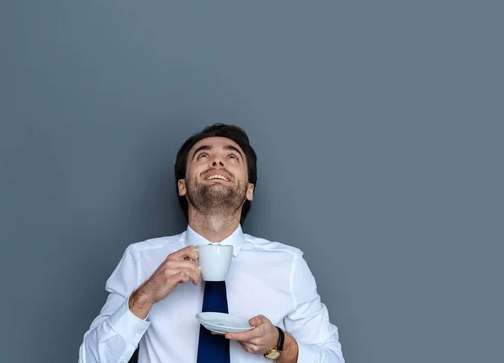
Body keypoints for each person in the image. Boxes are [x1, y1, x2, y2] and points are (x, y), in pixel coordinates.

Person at [78, 124, 344, 363]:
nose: (217, 160)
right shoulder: (140, 259)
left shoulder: (289, 265)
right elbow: (92, 359)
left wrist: (278, 344)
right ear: (182, 186)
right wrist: (145, 296)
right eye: (203, 155)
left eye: (232, 156)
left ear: (249, 189)